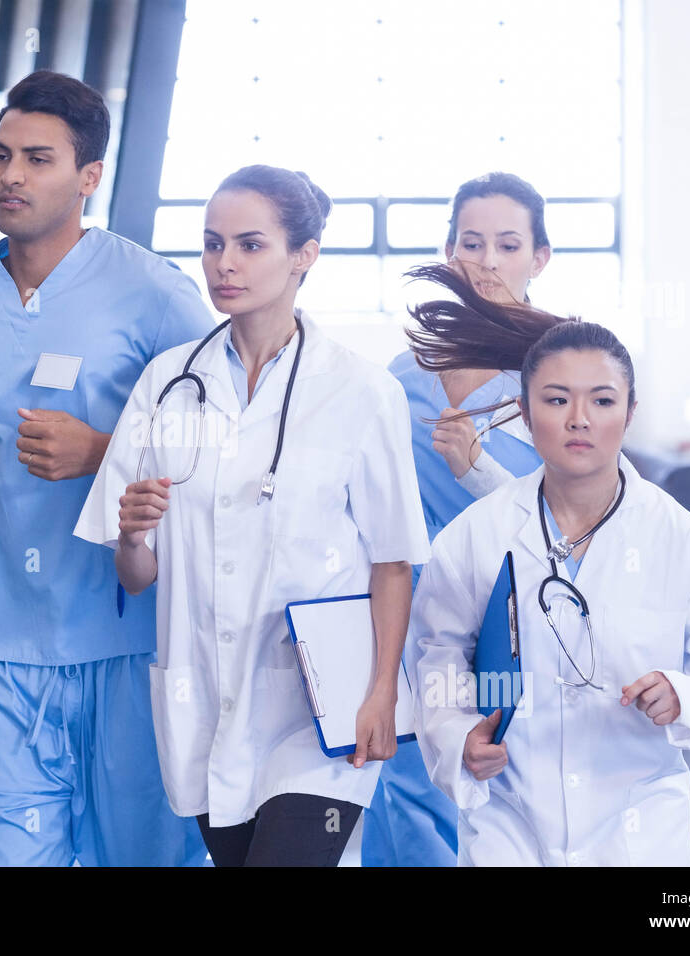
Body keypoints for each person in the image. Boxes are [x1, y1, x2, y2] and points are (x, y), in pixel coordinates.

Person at [75, 165, 432, 866]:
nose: (224, 264)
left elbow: (393, 559)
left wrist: (383, 691)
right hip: (204, 698)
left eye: (249, 245)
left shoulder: (361, 390)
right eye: (212, 245)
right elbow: (137, 575)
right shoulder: (168, 384)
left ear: (305, 254)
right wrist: (134, 530)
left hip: (321, 704)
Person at [0, 70, 212, 867]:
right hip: (6, 650)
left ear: (89, 177)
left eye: (37, 159)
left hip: (131, 644)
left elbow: (222, 450)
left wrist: (101, 452)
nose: (10, 175)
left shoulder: (159, 298)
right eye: (3, 155)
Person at [410, 317, 690, 866]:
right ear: (526, 412)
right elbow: (435, 656)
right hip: (509, 822)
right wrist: (457, 734)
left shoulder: (683, 542)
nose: (579, 419)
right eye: (556, 400)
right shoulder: (475, 536)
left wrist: (685, 696)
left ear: (629, 413)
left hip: (639, 831)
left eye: (602, 401)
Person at [363, 171, 559, 867]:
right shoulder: (400, 375)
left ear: (540, 257)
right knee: (408, 794)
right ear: (449, 254)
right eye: (471, 243)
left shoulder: (560, 371)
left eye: (508, 244)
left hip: (512, 627)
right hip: (410, 623)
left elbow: (570, 520)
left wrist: (474, 465)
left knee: (499, 787)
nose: (487, 261)